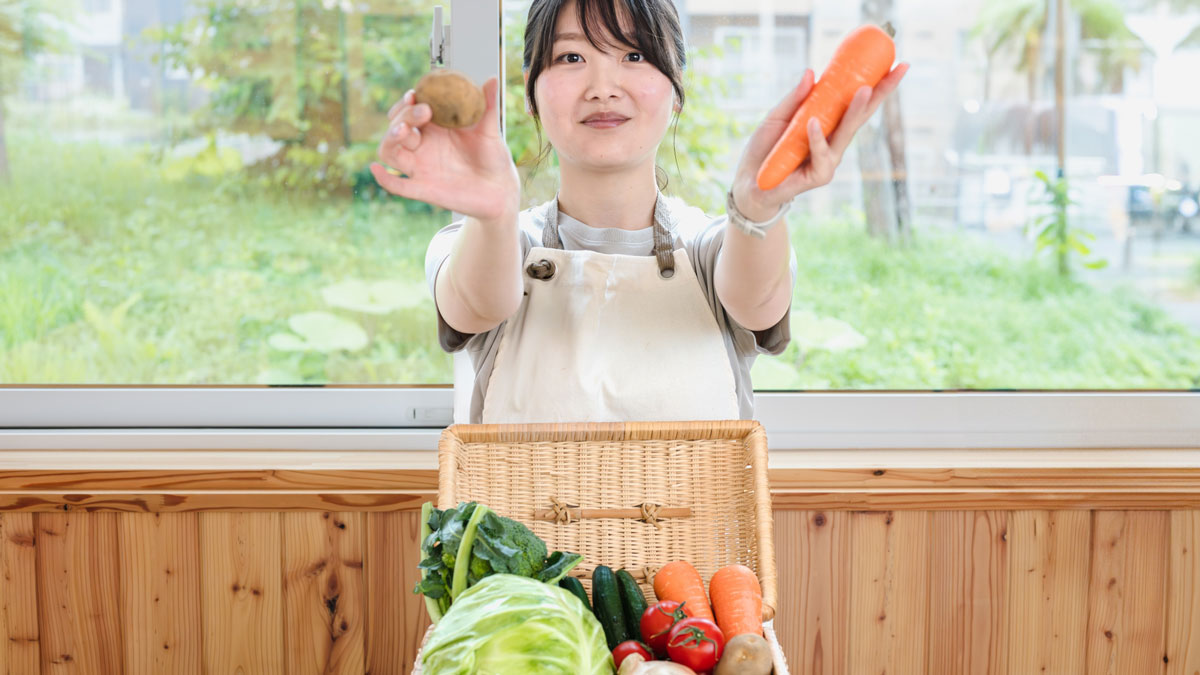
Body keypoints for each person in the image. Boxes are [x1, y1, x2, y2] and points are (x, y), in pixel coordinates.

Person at [370, 0, 907, 424]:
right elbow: (476, 304)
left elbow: (759, 302)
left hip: (697, 568)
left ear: (676, 92)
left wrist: (759, 206)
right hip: (520, 569)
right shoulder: (485, 244)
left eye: (634, 56)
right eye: (571, 57)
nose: (604, 88)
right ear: (531, 96)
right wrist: (493, 213)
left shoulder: (715, 247)